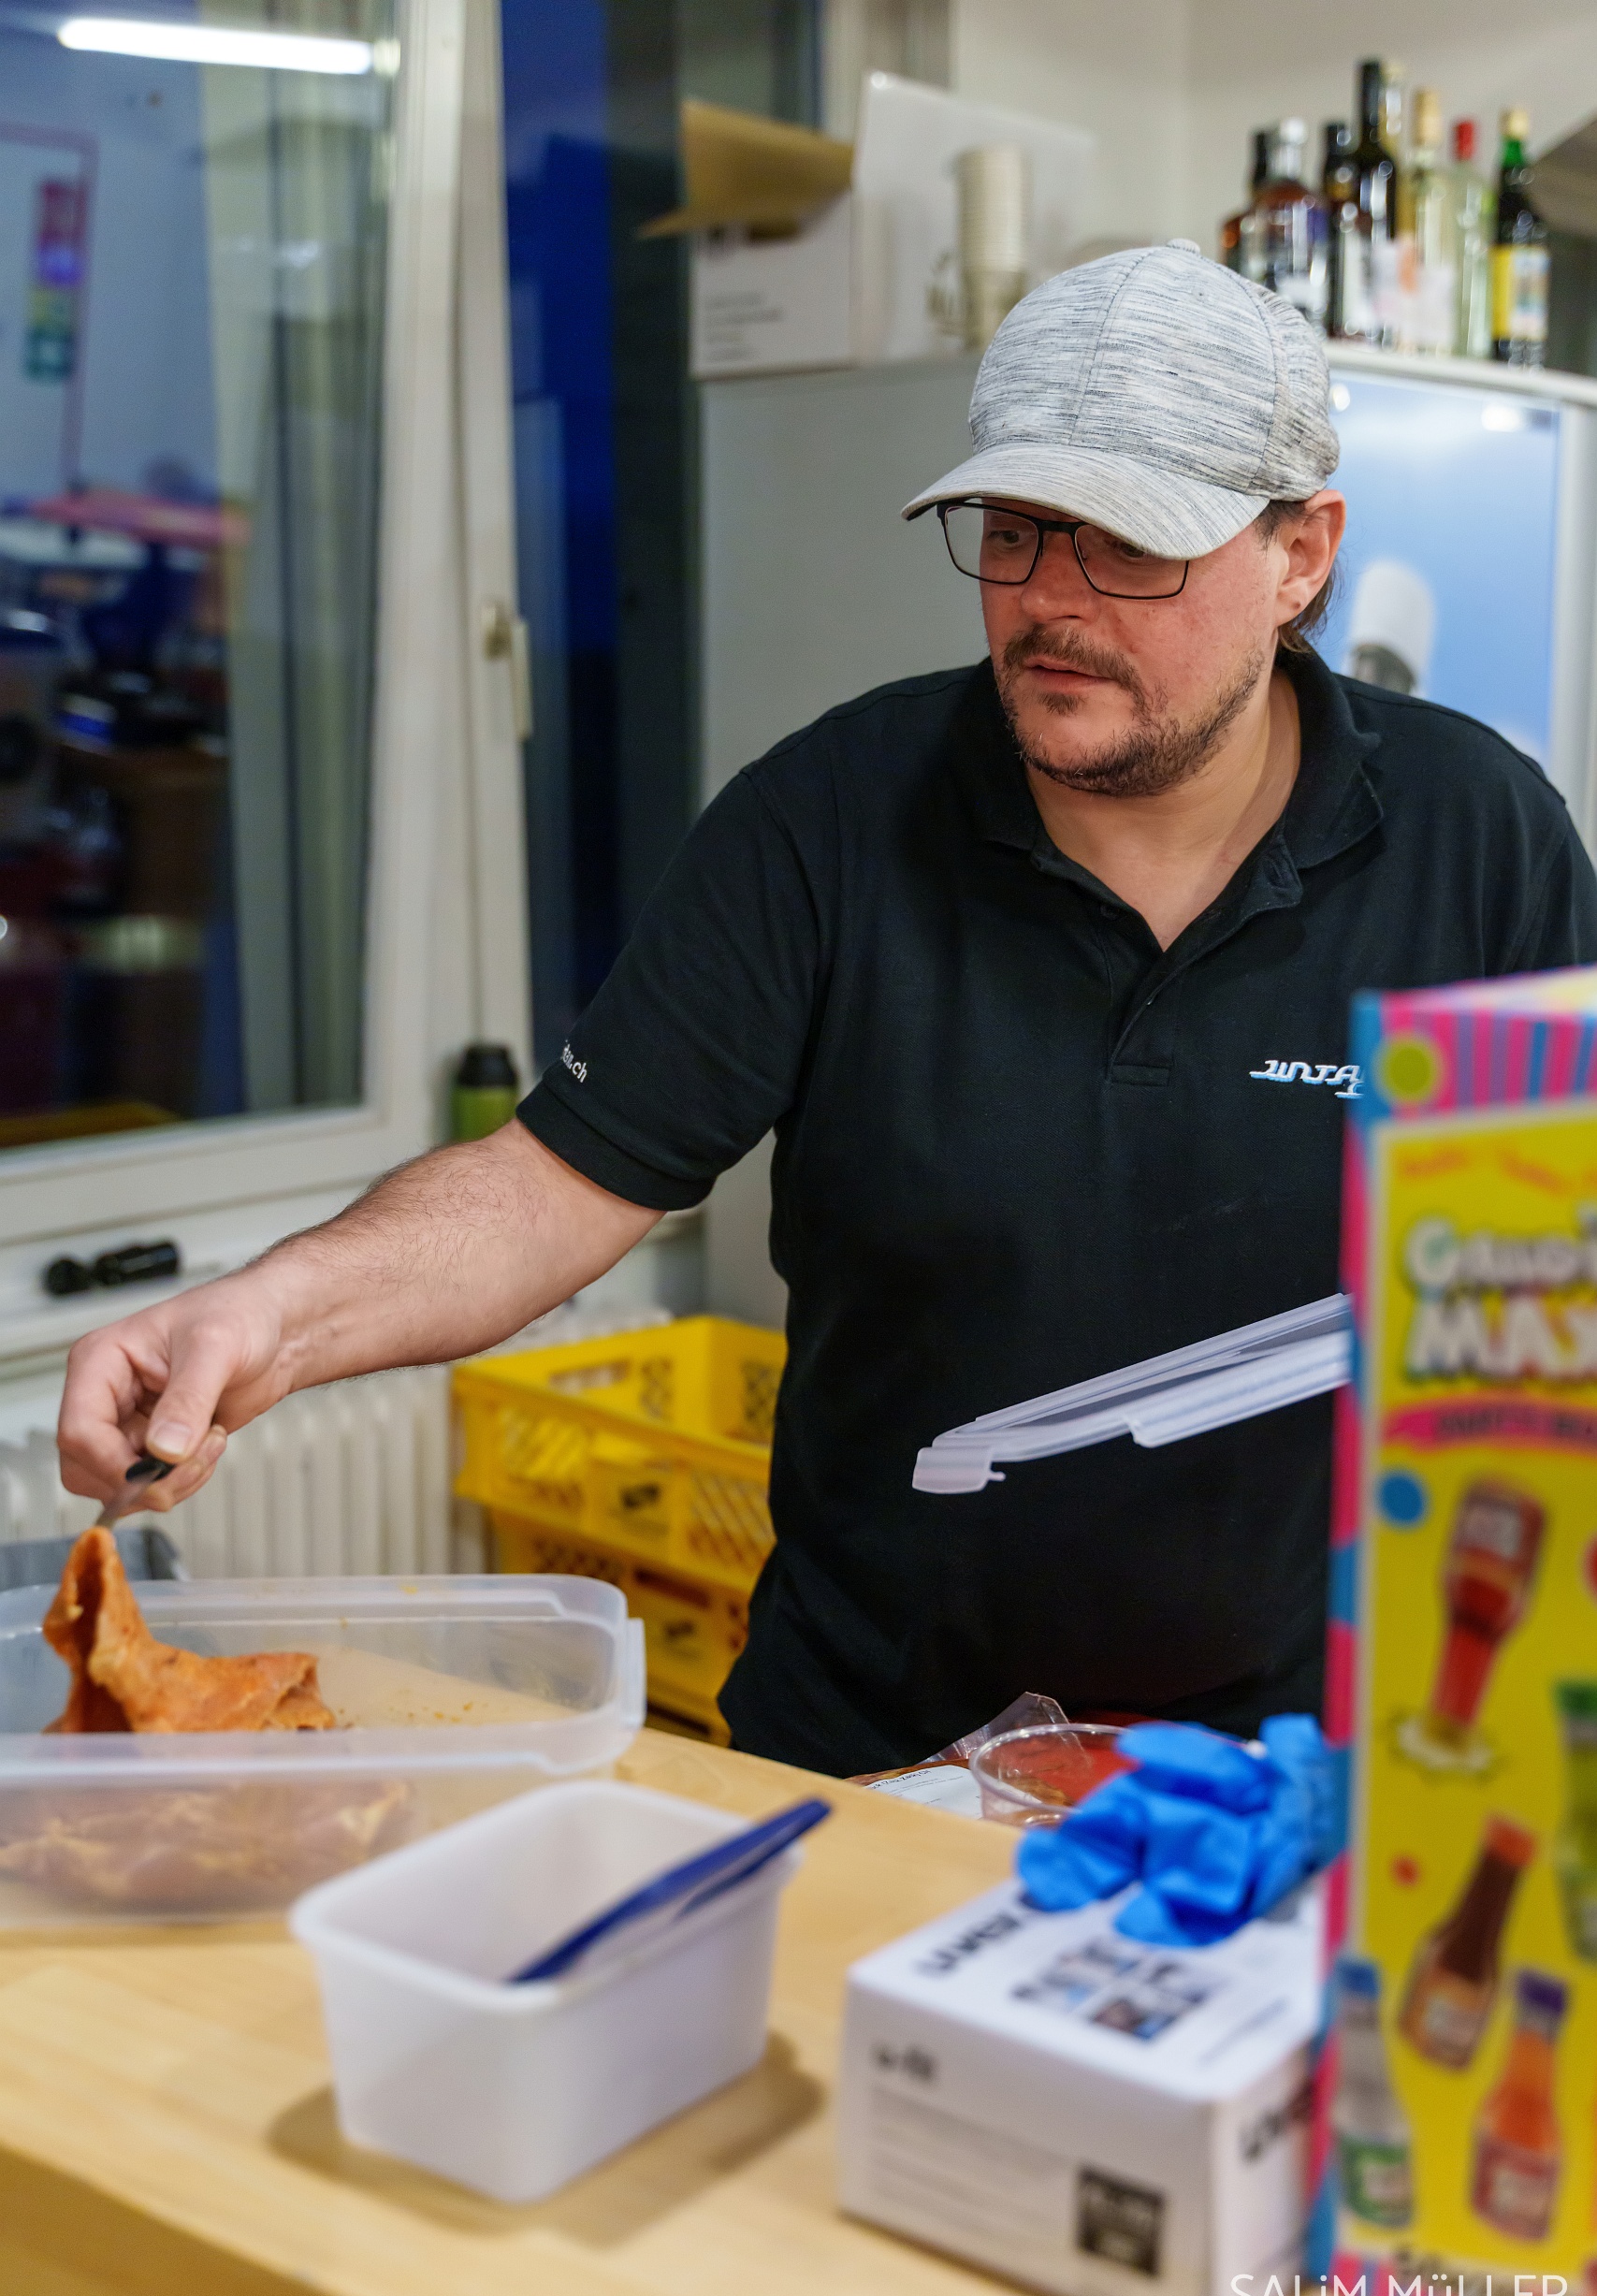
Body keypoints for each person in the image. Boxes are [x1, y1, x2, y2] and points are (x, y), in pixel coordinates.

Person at [58, 241, 1597, 1777]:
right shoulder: (829, 823)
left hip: (1303, 1776)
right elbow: (548, 1189)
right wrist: (270, 1314)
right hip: (880, 1759)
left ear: (1302, 555)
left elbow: (1557, 1279)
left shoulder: (1478, 843)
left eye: (1132, 547)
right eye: (1017, 531)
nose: (1052, 602)